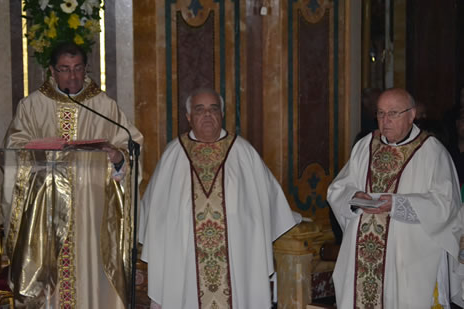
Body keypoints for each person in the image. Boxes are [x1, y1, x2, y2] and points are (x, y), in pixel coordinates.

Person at [2, 42, 143, 308]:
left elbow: (130, 144)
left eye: (78, 68)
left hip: (93, 210)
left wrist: (119, 157)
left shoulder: (103, 105)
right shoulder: (32, 106)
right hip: (48, 208)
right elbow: (14, 149)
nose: (73, 76)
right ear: (52, 71)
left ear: (86, 68)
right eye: (65, 70)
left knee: (90, 270)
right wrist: (40, 153)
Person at [139, 88, 297, 308]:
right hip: (184, 259)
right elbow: (154, 214)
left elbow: (269, 203)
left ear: (222, 114)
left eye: (213, 109)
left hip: (237, 259)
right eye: (199, 109)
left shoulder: (243, 152)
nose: (207, 115)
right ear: (188, 117)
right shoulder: (173, 154)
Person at [327, 88, 463, 308]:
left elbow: (445, 205)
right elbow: (337, 189)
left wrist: (398, 204)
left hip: (409, 261)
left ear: (412, 115)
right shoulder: (365, 146)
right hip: (362, 258)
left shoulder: (432, 152)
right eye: (380, 113)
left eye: (393, 113)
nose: (385, 120)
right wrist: (354, 196)